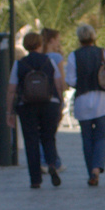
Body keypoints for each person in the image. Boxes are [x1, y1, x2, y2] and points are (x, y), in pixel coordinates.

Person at [65, 24, 105, 187]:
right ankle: (97, 168)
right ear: (93, 36)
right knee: (100, 137)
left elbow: (70, 80)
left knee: (87, 138)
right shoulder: (103, 52)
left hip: (82, 101)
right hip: (103, 101)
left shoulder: (73, 56)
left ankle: (90, 170)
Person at [8, 31, 63, 188]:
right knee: (48, 137)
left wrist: (9, 111)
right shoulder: (49, 61)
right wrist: (60, 103)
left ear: (26, 45)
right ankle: (52, 164)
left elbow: (11, 89)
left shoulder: (19, 64)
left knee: (31, 141)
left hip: (27, 106)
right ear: (40, 45)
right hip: (49, 104)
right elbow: (58, 84)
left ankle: (35, 179)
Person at [40, 27, 67, 172]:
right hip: (53, 99)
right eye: (57, 39)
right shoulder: (57, 58)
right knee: (50, 133)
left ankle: (49, 160)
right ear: (51, 40)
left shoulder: (39, 56)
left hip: (37, 97)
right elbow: (61, 82)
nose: (59, 43)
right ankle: (51, 161)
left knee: (41, 132)